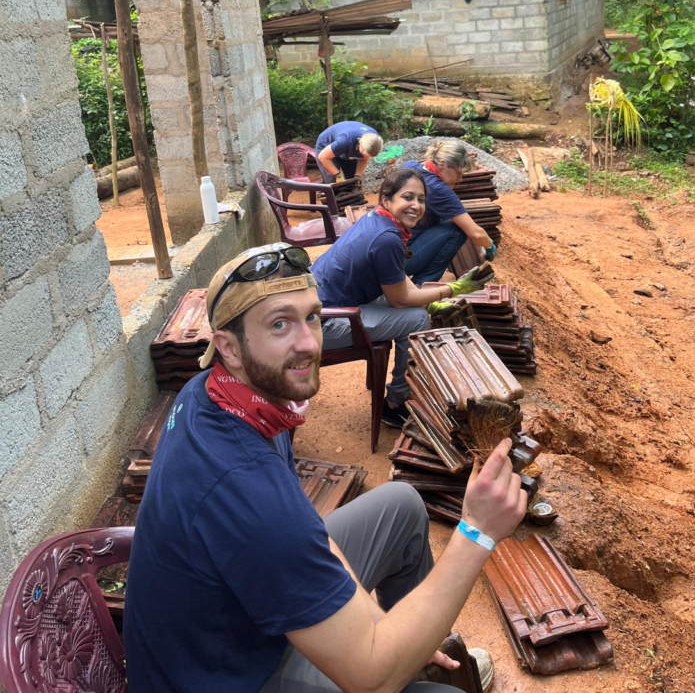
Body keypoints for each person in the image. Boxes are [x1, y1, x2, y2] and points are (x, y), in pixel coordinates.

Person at [123, 241, 528, 693]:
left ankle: (407, 647)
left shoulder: (220, 394)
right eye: (279, 324)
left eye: (311, 316)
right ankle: (402, 663)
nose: (307, 342)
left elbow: (303, 532)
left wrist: (387, 627)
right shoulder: (245, 488)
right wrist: (478, 531)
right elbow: (369, 680)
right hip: (227, 674)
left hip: (235, 619)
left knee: (401, 506)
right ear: (229, 347)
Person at [313, 167, 489, 428]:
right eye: (408, 197)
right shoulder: (387, 238)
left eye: (421, 199)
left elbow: (397, 277)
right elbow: (399, 300)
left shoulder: (378, 220)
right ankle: (395, 402)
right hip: (322, 324)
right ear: (386, 199)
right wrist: (453, 290)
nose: (416, 205)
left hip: (322, 306)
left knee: (418, 307)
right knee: (416, 319)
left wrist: (428, 299)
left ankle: (398, 392)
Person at [402, 139, 496, 284]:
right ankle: (421, 286)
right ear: (442, 164)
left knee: (442, 220)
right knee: (457, 230)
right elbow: (475, 233)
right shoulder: (438, 190)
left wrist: (459, 160)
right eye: (459, 173)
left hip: (385, 253)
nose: (460, 179)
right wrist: (489, 245)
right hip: (400, 261)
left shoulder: (410, 166)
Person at [315, 119, 383, 183]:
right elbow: (323, 157)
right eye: (365, 154)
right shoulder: (344, 141)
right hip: (325, 147)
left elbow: (364, 159)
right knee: (334, 181)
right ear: (361, 144)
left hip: (345, 148)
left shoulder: (374, 140)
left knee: (352, 180)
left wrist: (357, 176)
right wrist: (338, 175)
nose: (366, 156)